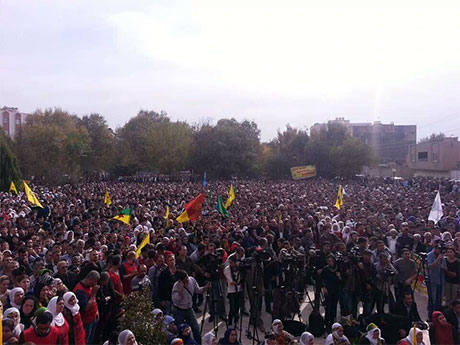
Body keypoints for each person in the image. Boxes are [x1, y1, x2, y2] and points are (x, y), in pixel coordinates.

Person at [171, 270, 207, 345]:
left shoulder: (192, 280)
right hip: (179, 310)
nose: (187, 280)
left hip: (189, 309)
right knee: (181, 331)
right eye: (185, 279)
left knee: (196, 329)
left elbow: (198, 290)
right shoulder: (176, 286)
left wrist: (205, 288)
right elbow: (175, 300)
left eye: (187, 277)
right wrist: (180, 290)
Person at [73, 270, 100, 344]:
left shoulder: (89, 287)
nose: (96, 284)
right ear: (90, 279)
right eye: (95, 281)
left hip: (93, 317)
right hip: (87, 321)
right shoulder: (80, 291)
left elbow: (93, 301)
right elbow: (86, 308)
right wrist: (94, 293)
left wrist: (96, 311)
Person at [321, 255, 342, 330]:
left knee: (334, 307)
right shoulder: (325, 269)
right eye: (329, 261)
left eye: (332, 261)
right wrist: (324, 287)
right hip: (328, 290)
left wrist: (339, 276)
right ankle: (327, 324)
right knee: (328, 307)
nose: (331, 262)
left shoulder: (337, 268)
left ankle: (333, 323)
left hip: (336, 290)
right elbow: (322, 279)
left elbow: (341, 280)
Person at [426, 244, 445, 317]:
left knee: (439, 299)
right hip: (433, 280)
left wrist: (443, 268)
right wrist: (438, 259)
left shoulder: (442, 256)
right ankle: (430, 314)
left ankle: (438, 313)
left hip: (441, 280)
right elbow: (430, 266)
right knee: (432, 298)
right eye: (437, 249)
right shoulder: (429, 255)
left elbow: (444, 266)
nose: (438, 251)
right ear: (434, 249)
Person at [223, 256, 241, 326]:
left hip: (238, 290)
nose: (230, 264)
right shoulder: (227, 269)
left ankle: (236, 320)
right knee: (232, 307)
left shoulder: (239, 268)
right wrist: (237, 282)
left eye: (232, 262)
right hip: (231, 291)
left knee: (237, 306)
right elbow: (230, 281)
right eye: (229, 263)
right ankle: (230, 321)